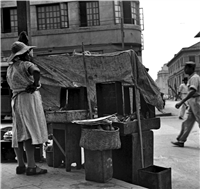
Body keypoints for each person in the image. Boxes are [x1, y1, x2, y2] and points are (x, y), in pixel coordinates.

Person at [6, 41, 48, 175]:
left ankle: (20, 165)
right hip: (28, 99)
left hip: (16, 100)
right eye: (28, 52)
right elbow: (36, 71)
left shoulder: (10, 68)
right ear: (24, 54)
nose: (30, 55)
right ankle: (31, 166)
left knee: (18, 132)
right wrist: (35, 84)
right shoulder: (26, 64)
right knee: (29, 132)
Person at [172, 61, 200, 147]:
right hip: (192, 102)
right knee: (188, 122)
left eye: (186, 68)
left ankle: (181, 140)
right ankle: (181, 140)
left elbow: (192, 91)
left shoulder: (195, 78)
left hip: (196, 101)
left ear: (191, 68)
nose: (184, 70)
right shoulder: (191, 78)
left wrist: (181, 102)